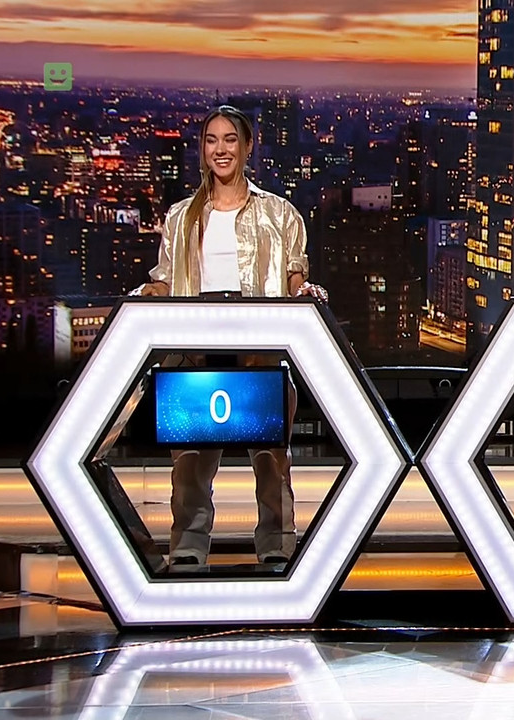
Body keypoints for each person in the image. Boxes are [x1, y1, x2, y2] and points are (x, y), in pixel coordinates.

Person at [132, 105, 328, 567]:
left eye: (230, 139)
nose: (220, 149)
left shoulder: (279, 213)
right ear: (202, 150)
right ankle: (187, 549)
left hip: (259, 350)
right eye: (211, 140)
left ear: (247, 147)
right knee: (189, 463)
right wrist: (144, 294)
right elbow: (166, 281)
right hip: (196, 351)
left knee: (272, 459)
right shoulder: (180, 217)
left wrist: (306, 292)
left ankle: (277, 548)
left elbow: (294, 278)